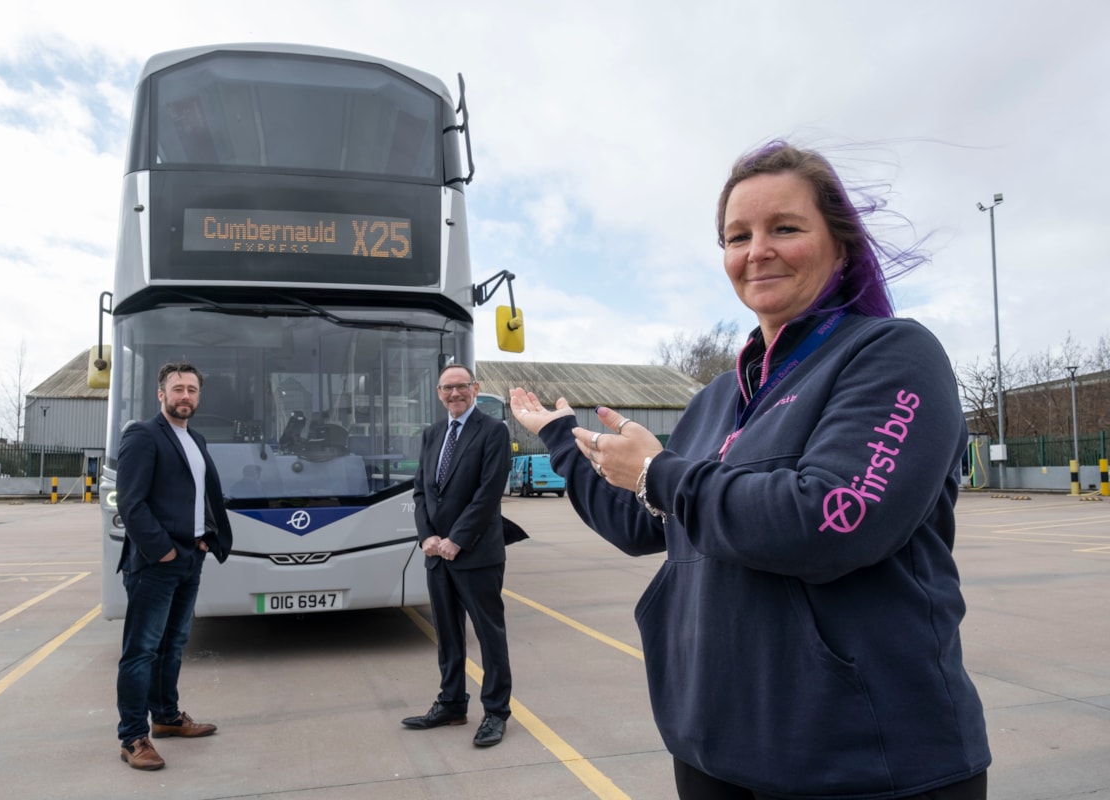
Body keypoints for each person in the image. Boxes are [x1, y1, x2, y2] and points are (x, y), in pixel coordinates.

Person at [509, 141, 990, 799]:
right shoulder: (716, 398)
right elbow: (638, 522)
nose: (756, 250)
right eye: (737, 236)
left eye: (784, 228)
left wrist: (662, 472)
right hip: (713, 750)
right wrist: (562, 438)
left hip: (862, 762)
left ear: (841, 246)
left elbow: (834, 519)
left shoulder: (893, 355)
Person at [115, 362, 233, 770]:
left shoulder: (195, 438)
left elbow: (199, 496)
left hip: (190, 557)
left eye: (193, 390)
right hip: (155, 562)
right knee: (141, 651)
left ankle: (166, 717)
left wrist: (203, 537)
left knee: (173, 644)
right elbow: (131, 503)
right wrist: (162, 550)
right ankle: (133, 736)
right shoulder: (142, 436)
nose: (186, 396)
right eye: (178, 389)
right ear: (161, 394)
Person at [402, 364, 514, 747]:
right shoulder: (433, 434)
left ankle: (496, 712)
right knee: (448, 636)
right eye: (447, 388)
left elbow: (488, 493)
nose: (454, 394)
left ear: (475, 388)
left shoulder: (494, 431)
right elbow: (421, 492)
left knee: (488, 636)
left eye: (461, 387)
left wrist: (457, 539)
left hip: (476, 555)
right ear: (438, 393)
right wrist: (427, 537)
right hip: (436, 555)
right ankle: (451, 703)